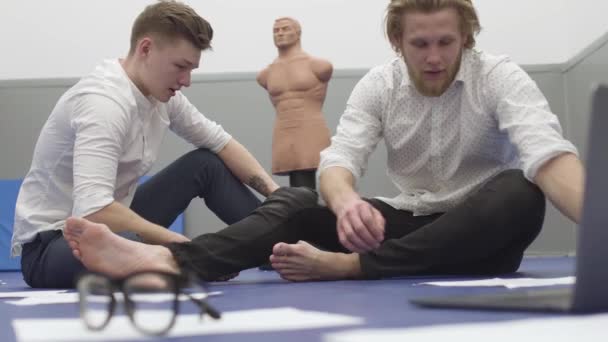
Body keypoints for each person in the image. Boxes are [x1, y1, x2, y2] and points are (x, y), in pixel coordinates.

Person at [64, 0, 585, 283]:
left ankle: (353, 268)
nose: (432, 57)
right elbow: (339, 162)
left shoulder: (501, 77)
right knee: (294, 201)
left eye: (445, 42)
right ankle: (174, 263)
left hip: (480, 233)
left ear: (466, 38)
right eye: (419, 43)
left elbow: (549, 156)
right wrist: (347, 201)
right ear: (396, 40)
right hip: (408, 226)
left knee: (521, 191)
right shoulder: (379, 84)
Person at [12, 0, 279, 288]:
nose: (186, 80)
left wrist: (279, 198)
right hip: (53, 247)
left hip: (111, 228)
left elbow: (221, 143)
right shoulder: (104, 103)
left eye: (192, 69)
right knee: (120, 241)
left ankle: (279, 246)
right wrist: (182, 244)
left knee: (206, 164)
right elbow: (94, 210)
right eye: (180, 66)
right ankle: (170, 259)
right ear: (146, 49)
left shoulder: (163, 97)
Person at [257, 17, 332, 189]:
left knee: (314, 187)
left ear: (297, 33)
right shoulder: (265, 74)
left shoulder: (319, 66)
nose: (280, 33)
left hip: (311, 129)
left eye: (285, 29)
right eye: (276, 31)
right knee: (298, 193)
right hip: (283, 129)